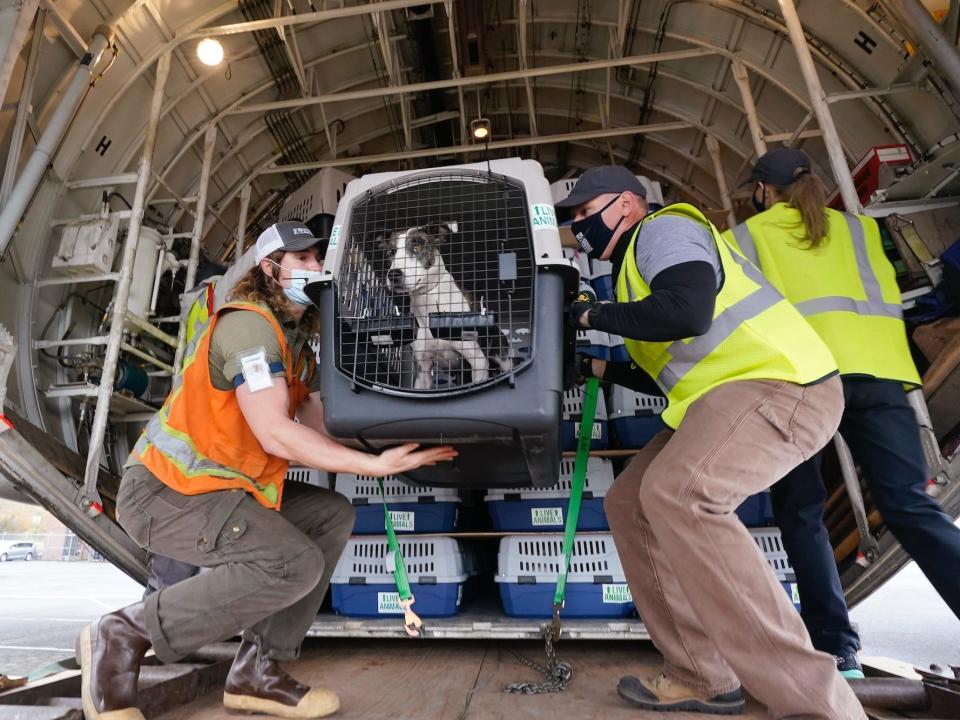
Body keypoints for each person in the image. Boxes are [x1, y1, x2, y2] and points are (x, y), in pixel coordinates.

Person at [78, 220, 457, 720]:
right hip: (168, 493)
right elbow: (275, 433)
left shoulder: (298, 342)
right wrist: (374, 465)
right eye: (301, 259)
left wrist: (405, 432)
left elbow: (323, 426)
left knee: (329, 515)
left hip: (227, 491)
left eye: (319, 259)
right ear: (269, 267)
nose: (315, 267)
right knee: (291, 562)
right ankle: (124, 634)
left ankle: (257, 669)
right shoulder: (249, 324)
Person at [559, 166, 864, 718]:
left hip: (780, 386)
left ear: (628, 203)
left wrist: (588, 314)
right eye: (572, 219)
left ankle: (817, 705)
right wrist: (598, 365)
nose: (579, 226)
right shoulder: (631, 269)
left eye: (585, 212)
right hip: (719, 401)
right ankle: (701, 673)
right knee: (630, 503)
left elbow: (688, 311)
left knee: (681, 494)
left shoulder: (663, 231)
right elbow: (673, 359)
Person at [724, 147, 960, 678]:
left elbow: (729, 316)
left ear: (764, 190)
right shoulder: (860, 230)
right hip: (879, 374)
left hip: (798, 380)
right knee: (912, 508)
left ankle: (836, 649)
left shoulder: (747, 237)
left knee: (802, 510)